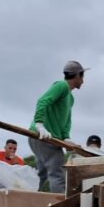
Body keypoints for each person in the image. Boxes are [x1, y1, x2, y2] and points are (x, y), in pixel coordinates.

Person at [29, 61, 87, 192]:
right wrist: (39, 124)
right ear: (77, 75)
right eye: (82, 77)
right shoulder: (61, 86)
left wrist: (66, 138)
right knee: (58, 175)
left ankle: (27, 200)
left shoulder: (70, 98)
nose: (83, 81)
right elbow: (42, 101)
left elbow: (66, 120)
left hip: (48, 138)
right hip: (43, 136)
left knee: (41, 175)